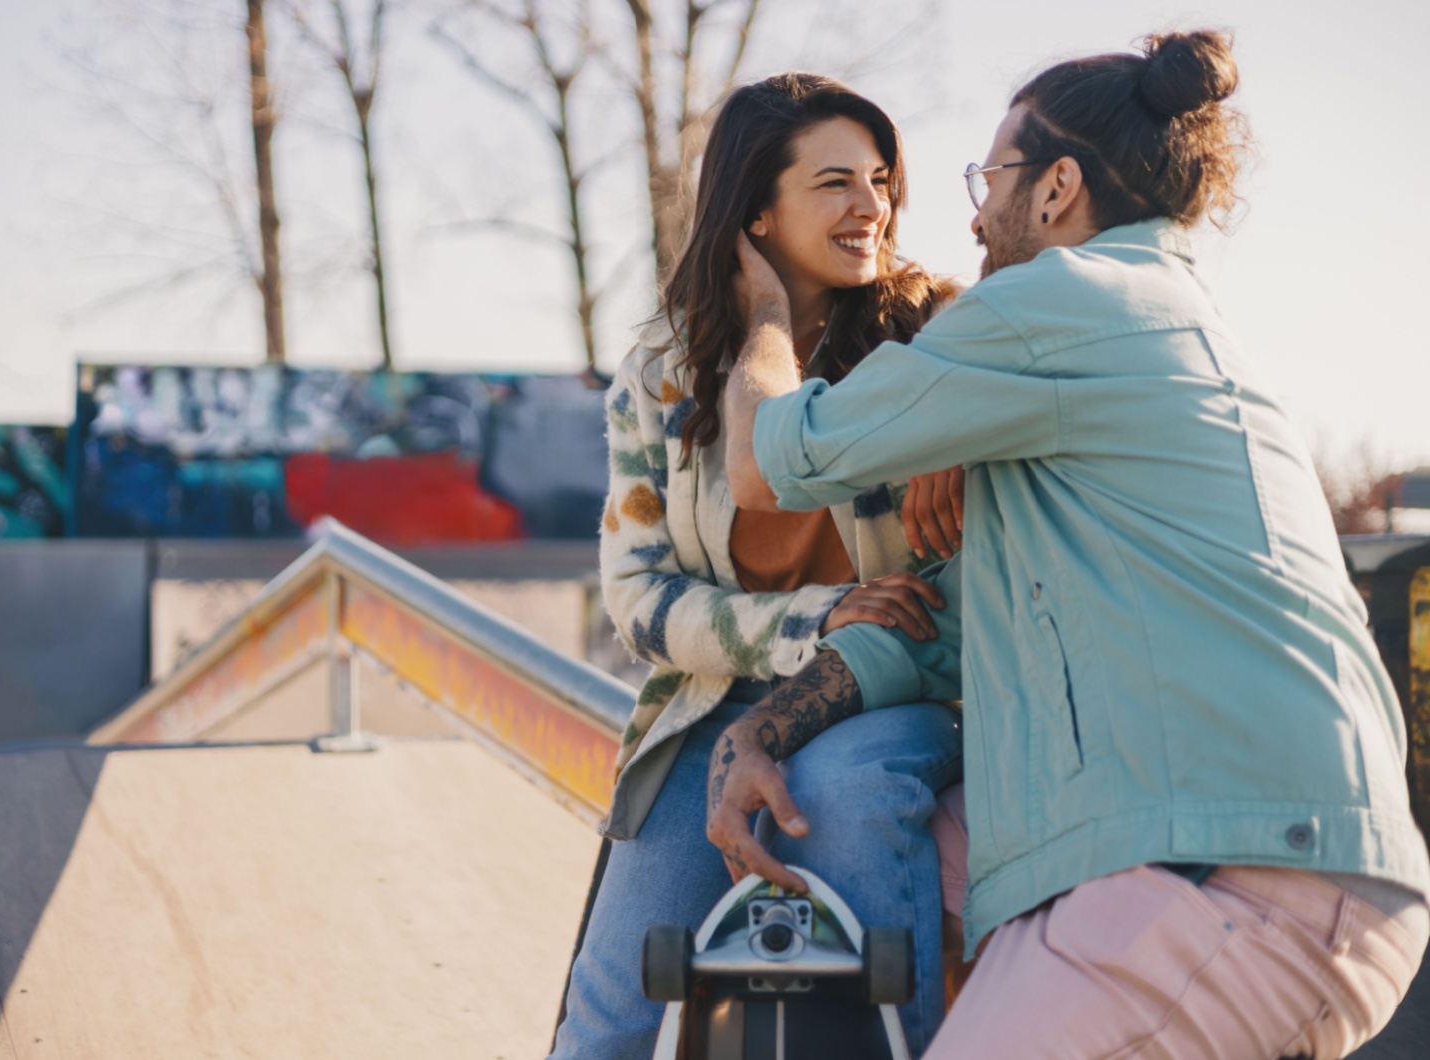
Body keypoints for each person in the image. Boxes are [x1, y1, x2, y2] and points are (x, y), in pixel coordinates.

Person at [709, 29, 1430, 1060]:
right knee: (836, 816)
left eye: (989, 175)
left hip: (1226, 875)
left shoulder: (1062, 303)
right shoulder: (1146, 329)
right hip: (1229, 862)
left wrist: (765, 318)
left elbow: (772, 459)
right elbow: (943, 627)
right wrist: (764, 730)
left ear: (1054, 189)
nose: (969, 210)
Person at [549, 73, 967, 1058]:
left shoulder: (939, 336)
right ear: (754, 209)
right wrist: (814, 619)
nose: (872, 206)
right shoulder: (662, 367)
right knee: (610, 1010)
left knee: (851, 828)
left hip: (893, 695)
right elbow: (639, 598)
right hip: (710, 703)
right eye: (834, 182)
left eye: (879, 179)